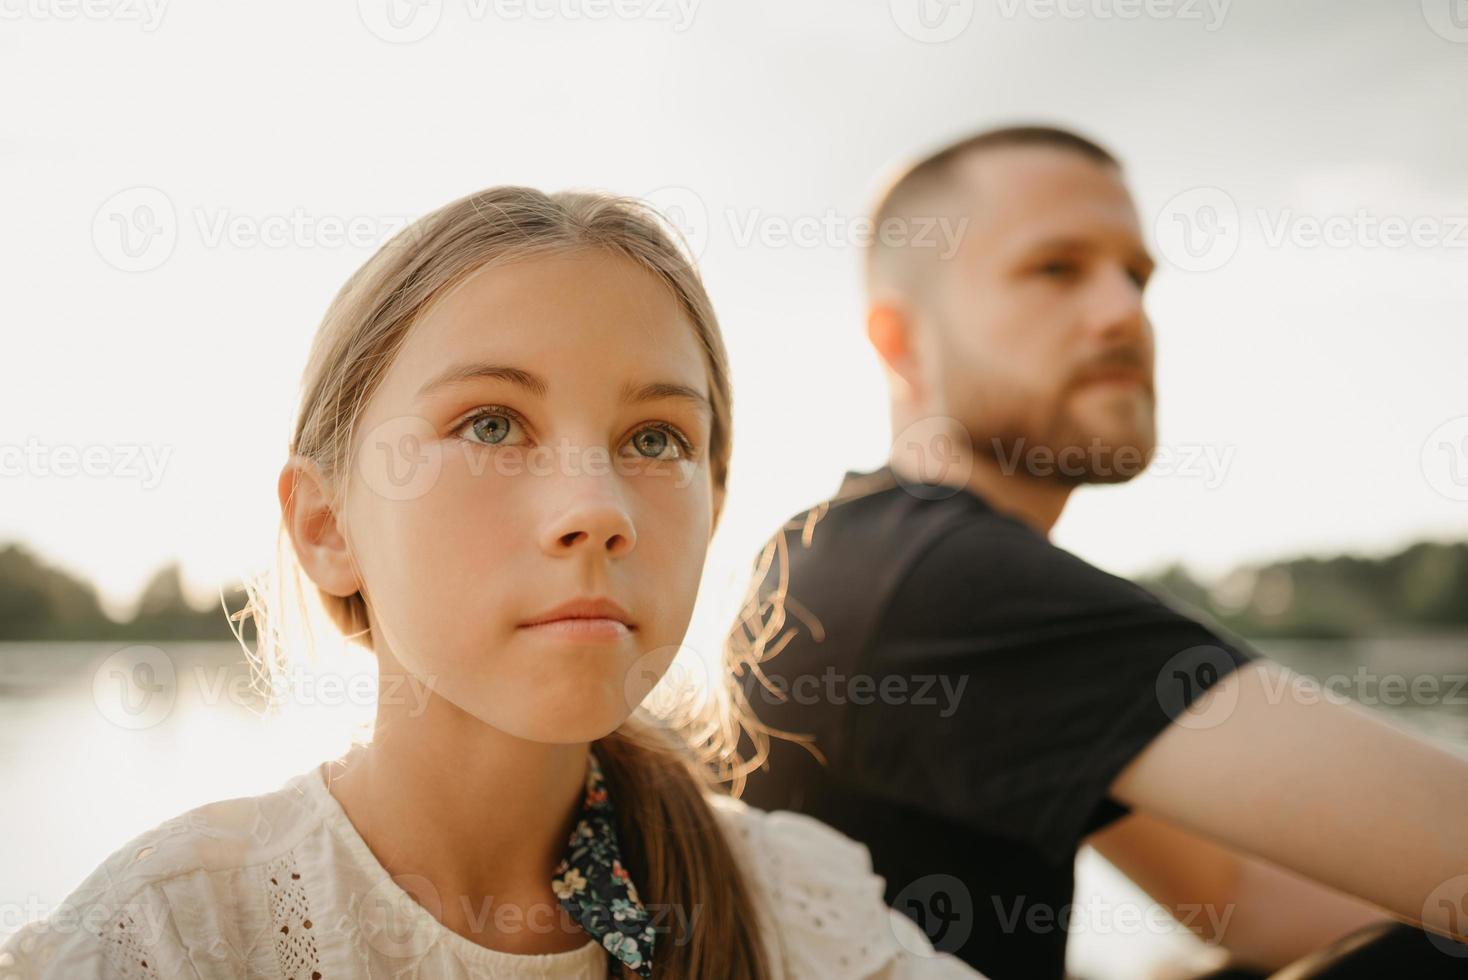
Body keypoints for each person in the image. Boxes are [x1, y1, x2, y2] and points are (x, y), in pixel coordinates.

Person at [0, 187, 982, 979]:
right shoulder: (170, 936)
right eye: (491, 424)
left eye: (655, 438)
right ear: (326, 524)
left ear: (714, 508)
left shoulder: (794, 909)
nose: (598, 509)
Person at [728, 126, 1468, 979]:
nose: (1124, 311)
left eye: (1137, 276)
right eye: (1057, 268)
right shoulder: (941, 583)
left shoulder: (850, 550)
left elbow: (1238, 895)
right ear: (899, 340)